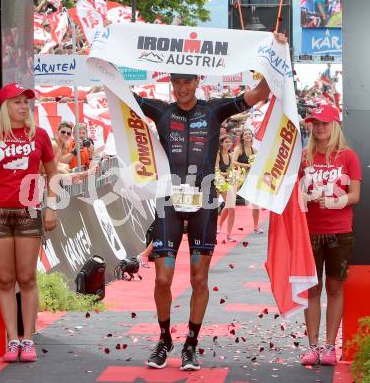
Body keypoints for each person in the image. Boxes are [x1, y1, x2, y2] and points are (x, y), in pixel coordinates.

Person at [132, 31, 287, 372]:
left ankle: (190, 343)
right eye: (176, 82)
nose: (181, 88)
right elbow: (119, 93)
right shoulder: (161, 111)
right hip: (168, 204)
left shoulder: (215, 110)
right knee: (162, 279)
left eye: (187, 81)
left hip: (204, 203)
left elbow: (259, 93)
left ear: (197, 80)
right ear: (170, 83)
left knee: (199, 280)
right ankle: (163, 339)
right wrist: (104, 54)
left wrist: (277, 49)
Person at [0, 83, 58, 362]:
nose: (24, 106)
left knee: (27, 277)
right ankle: (12, 339)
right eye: (17, 102)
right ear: (5, 106)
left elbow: (53, 173)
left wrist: (52, 207)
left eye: (27, 102)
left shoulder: (40, 135)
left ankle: (28, 339)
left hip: (29, 211)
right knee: (5, 279)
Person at [299, 104, 362, 366]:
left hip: (339, 232)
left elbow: (356, 196)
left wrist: (338, 201)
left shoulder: (348, 157)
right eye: (315, 123)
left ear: (335, 124)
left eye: (324, 123)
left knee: (335, 288)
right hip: (310, 231)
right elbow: (295, 197)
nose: (320, 127)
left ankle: (329, 347)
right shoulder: (304, 156)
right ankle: (313, 347)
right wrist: (305, 197)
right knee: (312, 289)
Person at [232, 128, 263, 233]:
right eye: (246, 134)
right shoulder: (238, 149)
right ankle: (220, 224)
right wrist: (247, 165)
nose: (248, 135)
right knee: (230, 203)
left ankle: (256, 226)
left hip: (250, 178)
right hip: (239, 177)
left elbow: (259, 162)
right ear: (242, 137)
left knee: (255, 203)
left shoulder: (254, 149)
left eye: (250, 134)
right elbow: (233, 162)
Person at [215, 135, 238, 241]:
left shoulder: (231, 155)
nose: (229, 144)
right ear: (221, 143)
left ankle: (229, 234)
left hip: (227, 182)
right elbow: (215, 170)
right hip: (216, 182)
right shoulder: (218, 154)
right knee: (214, 209)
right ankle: (214, 229)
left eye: (230, 142)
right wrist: (225, 175)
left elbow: (231, 169)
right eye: (226, 142)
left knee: (231, 208)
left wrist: (232, 175)